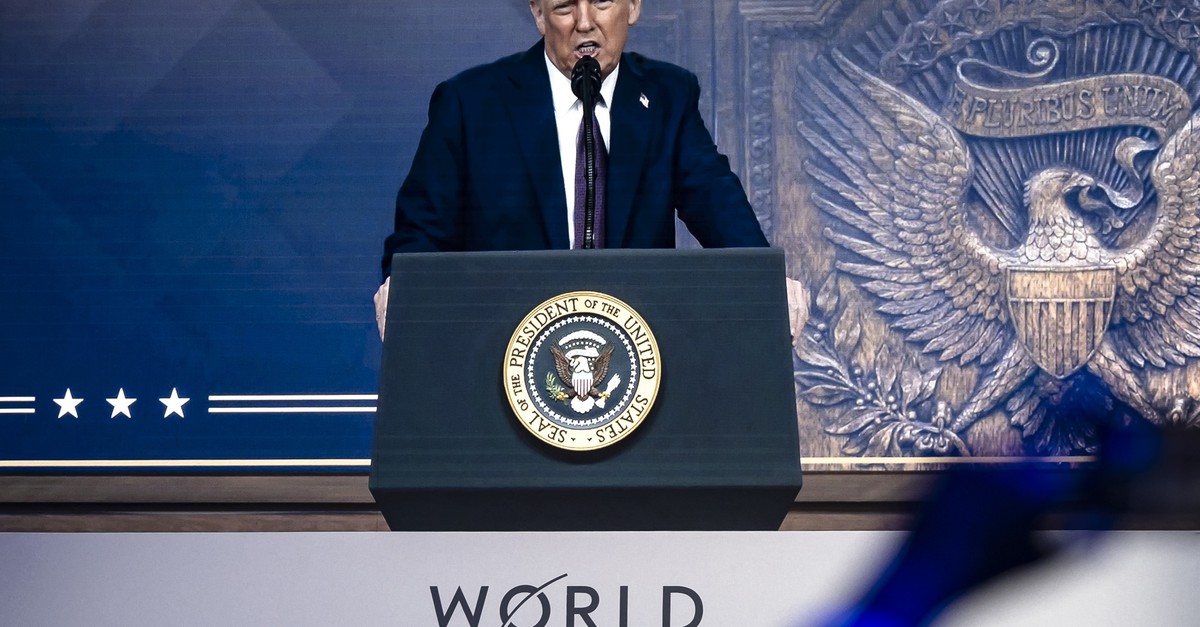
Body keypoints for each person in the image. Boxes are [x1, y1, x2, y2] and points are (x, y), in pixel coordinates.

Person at [375, 0, 772, 338]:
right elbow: (422, 233)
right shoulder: (471, 104)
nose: (584, 23)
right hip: (501, 348)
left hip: (636, 352)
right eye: (565, 7)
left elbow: (716, 200)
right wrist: (404, 287)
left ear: (634, 6)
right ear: (538, 13)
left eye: (601, 2)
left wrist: (766, 278)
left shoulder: (669, 96)